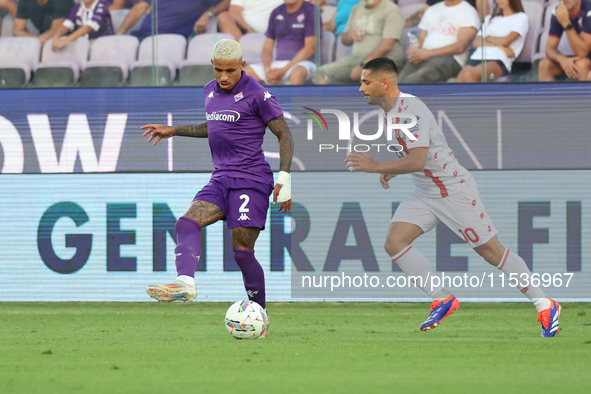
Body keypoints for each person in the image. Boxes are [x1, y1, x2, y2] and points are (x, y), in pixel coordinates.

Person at [345, 57, 561, 337]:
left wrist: (376, 166)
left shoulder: (410, 110)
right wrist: (393, 170)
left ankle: (545, 304)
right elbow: (417, 153)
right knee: (395, 242)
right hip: (426, 191)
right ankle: (442, 298)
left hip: (452, 189)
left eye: (366, 82)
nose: (361, 88)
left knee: (491, 252)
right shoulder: (391, 110)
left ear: (385, 83)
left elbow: (419, 159)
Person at [141, 39, 294, 339]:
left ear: (242, 66)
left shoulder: (259, 95)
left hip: (251, 179)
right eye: (217, 70)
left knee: (242, 252)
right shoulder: (209, 90)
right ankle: (185, 282)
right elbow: (213, 125)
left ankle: (259, 318)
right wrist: (174, 130)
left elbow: (284, 133)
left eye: (230, 71)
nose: (223, 77)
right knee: (187, 221)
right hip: (221, 178)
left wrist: (285, 179)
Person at [317, 0, 404, 85]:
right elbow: (344, 39)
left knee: (368, 77)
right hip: (356, 59)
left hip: (385, 61)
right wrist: (350, 36)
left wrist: (363, 65)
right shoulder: (357, 8)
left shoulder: (391, 9)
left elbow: (387, 45)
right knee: (320, 73)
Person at [397, 0, 480, 84]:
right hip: (424, 56)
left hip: (451, 59)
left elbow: (460, 47)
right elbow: (421, 39)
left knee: (412, 81)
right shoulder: (432, 9)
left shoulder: (469, 12)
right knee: (397, 83)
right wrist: (414, 51)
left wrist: (428, 53)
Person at [244, 0, 320, 86]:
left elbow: (310, 49)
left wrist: (283, 70)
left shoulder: (311, 11)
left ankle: (296, 99)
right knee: (245, 73)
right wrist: (268, 70)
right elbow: (267, 47)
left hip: (303, 63)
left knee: (297, 73)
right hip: (278, 63)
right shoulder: (276, 12)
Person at [456, 0, 529, 82]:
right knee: (459, 81)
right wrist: (499, 46)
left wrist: (486, 38)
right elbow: (476, 42)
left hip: (498, 59)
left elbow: (506, 41)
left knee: (470, 75)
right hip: (477, 56)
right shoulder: (489, 19)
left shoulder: (521, 17)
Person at [116, 0, 230, 38]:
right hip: (144, 36)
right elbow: (140, 7)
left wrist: (208, 14)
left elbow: (227, 2)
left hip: (172, 39)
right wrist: (120, 34)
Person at [537, 0, 591, 82]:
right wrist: (562, 60)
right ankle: (550, 94)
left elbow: (583, 52)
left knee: (582, 64)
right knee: (544, 65)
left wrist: (566, 23)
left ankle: (582, 94)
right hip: (580, 57)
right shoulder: (558, 12)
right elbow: (549, 49)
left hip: (586, 56)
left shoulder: (588, 9)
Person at [217, 0, 283, 41]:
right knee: (224, 16)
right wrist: (249, 28)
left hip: (273, 34)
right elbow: (234, 11)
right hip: (244, 32)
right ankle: (243, 54)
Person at [404, 0, 489, 28]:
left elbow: (484, 21)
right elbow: (422, 13)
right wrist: (402, 25)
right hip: (436, 33)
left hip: (463, 36)